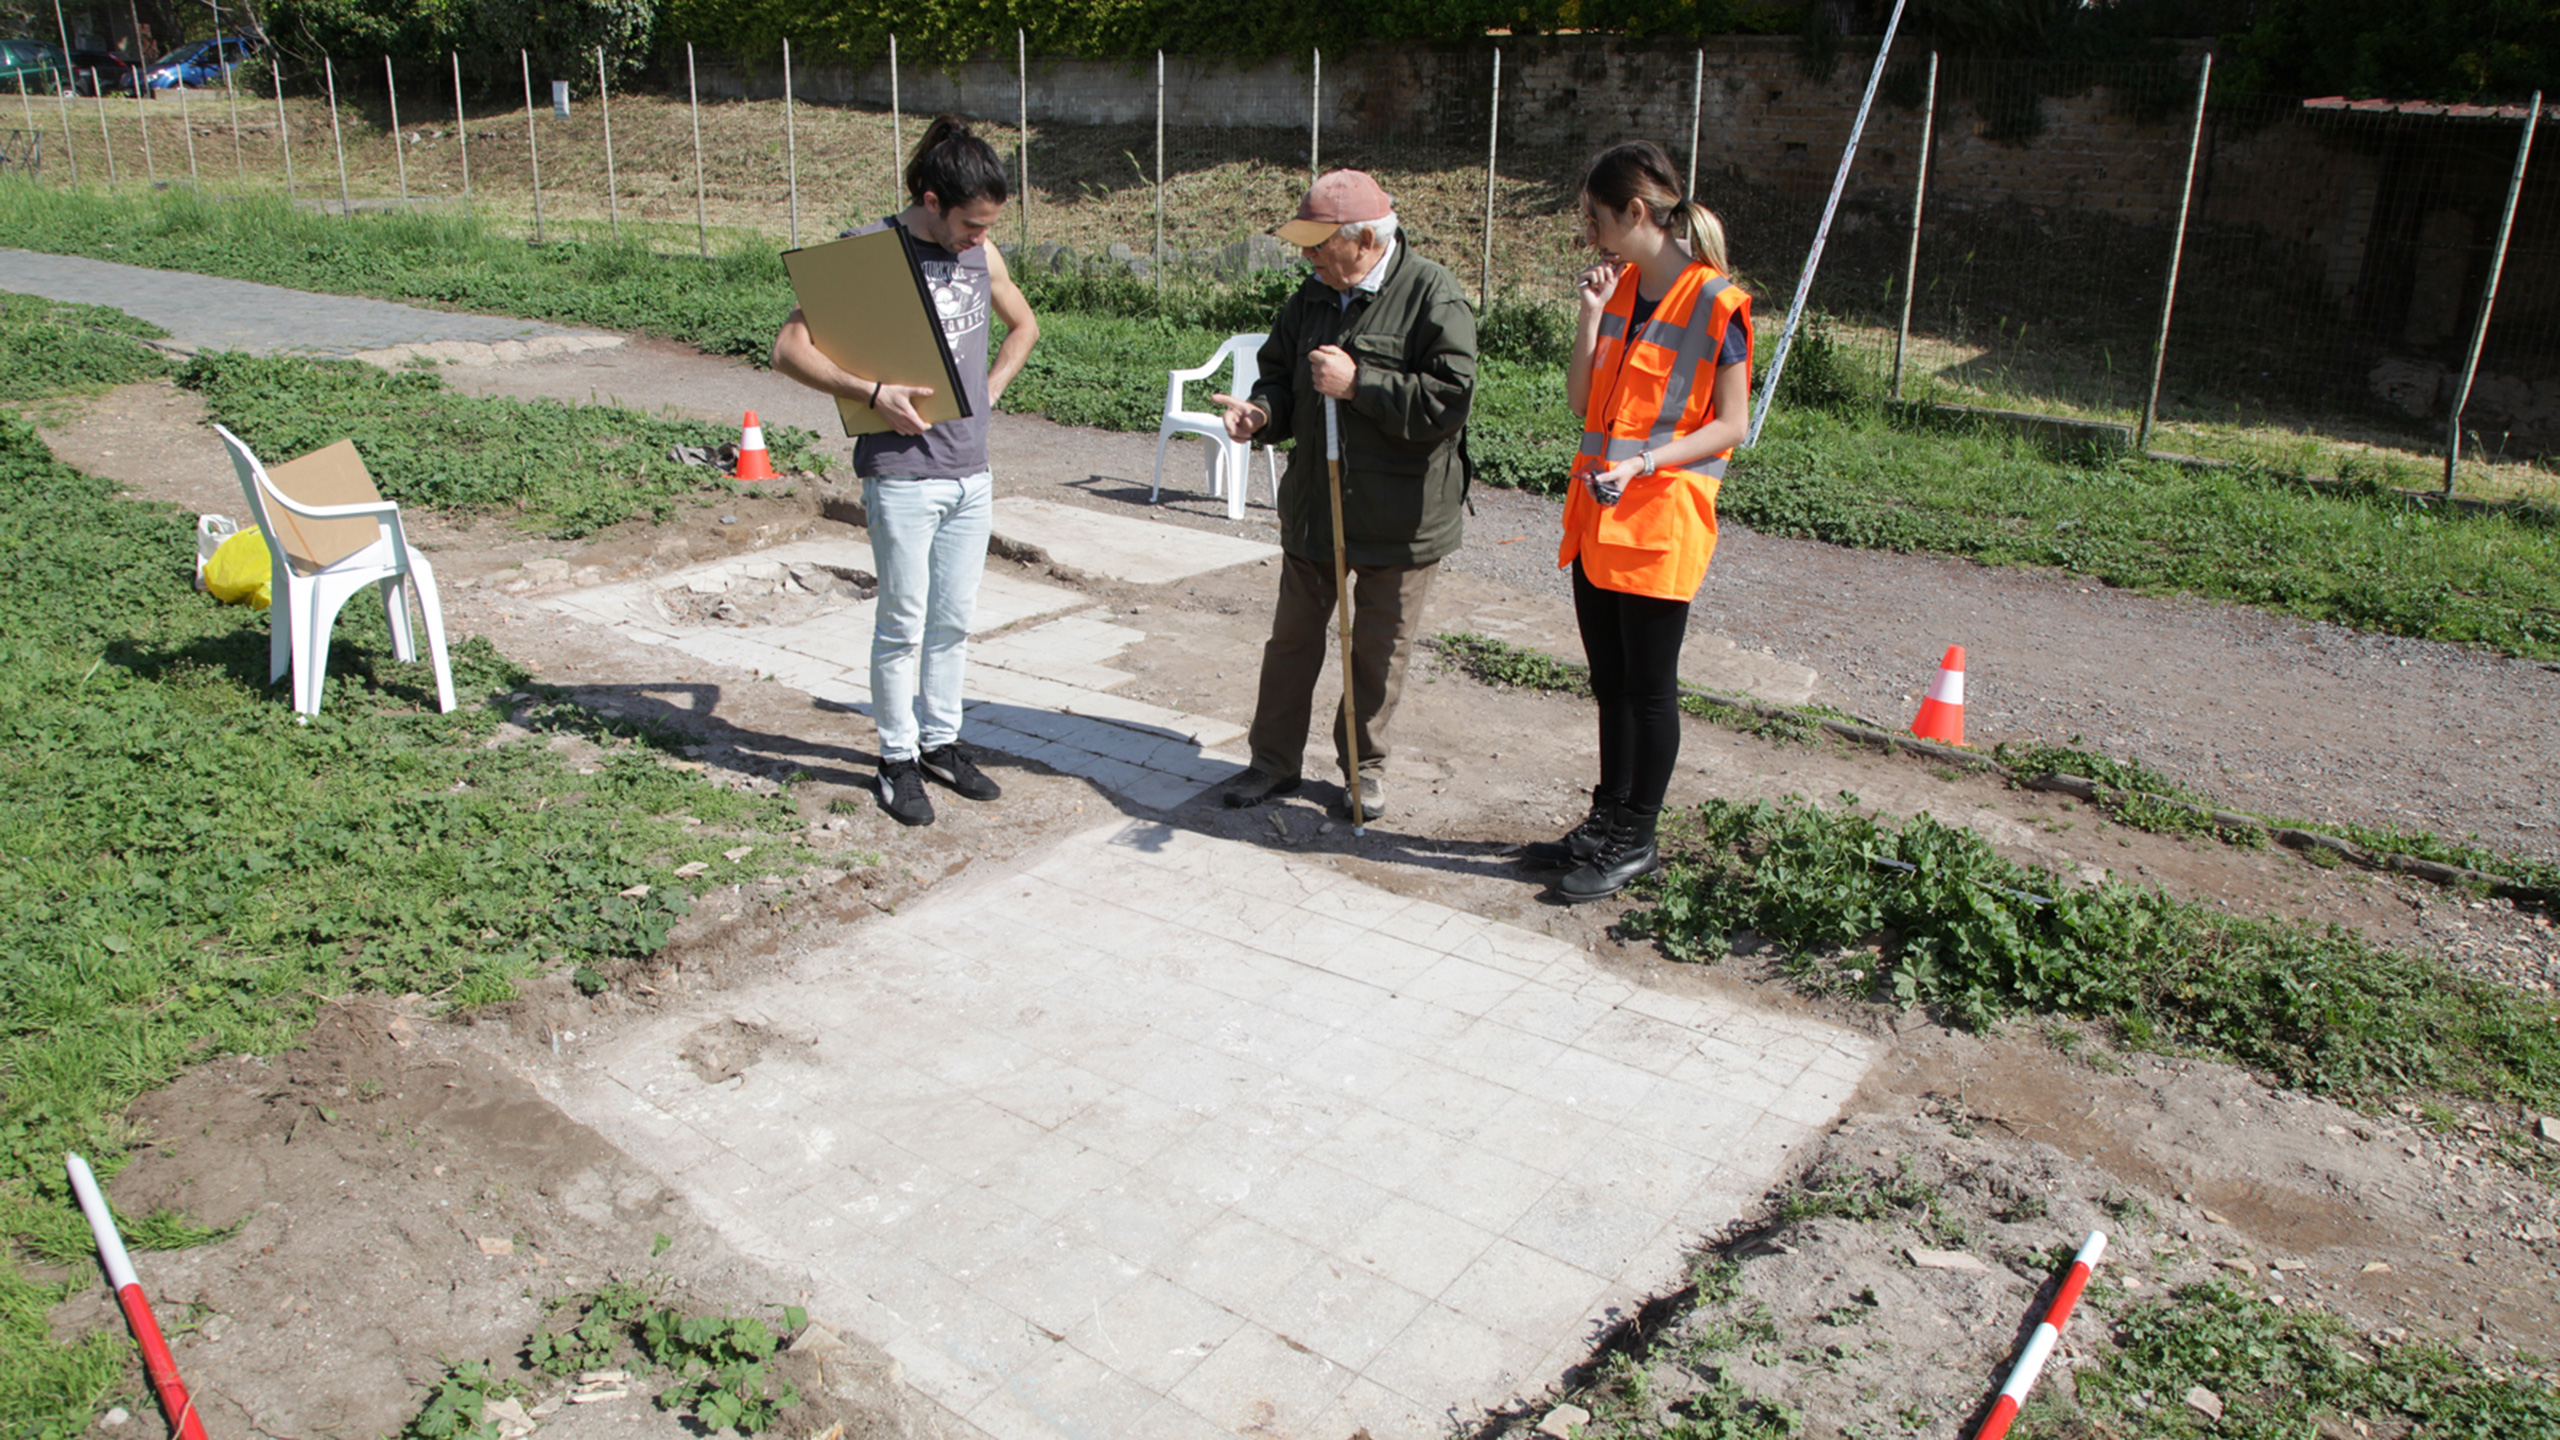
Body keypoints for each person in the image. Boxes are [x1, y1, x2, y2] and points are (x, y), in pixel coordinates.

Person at [771, 116, 1039, 828]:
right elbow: (788, 350)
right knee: (903, 624)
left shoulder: (982, 252)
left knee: (952, 621)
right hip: (901, 476)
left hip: (970, 473)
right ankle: (895, 759)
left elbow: (1025, 326)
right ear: (931, 201)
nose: (979, 238)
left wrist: (990, 390)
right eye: (970, 225)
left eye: (989, 227)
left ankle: (940, 744)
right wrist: (870, 393)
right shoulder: (866, 256)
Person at [1209, 169, 1477, 821]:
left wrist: (1360, 385)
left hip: (1402, 520)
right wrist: (1261, 414)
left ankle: (1363, 769)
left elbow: (1448, 402)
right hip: (1315, 508)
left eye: (1318, 244)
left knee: (1377, 653)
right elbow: (1278, 376)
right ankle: (1273, 762)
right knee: (1292, 642)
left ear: (1365, 240)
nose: (1307, 257)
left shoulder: (1432, 294)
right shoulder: (1312, 295)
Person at [1527, 140, 1752, 902]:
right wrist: (1589, 316)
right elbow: (1581, 403)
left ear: (1635, 212)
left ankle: (1638, 837)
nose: (1588, 234)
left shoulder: (1716, 302)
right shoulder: (1619, 290)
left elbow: (1732, 425)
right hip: (1599, 520)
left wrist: (1646, 464)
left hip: (1659, 524)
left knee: (1650, 690)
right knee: (1611, 683)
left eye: (1594, 219)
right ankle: (1606, 818)